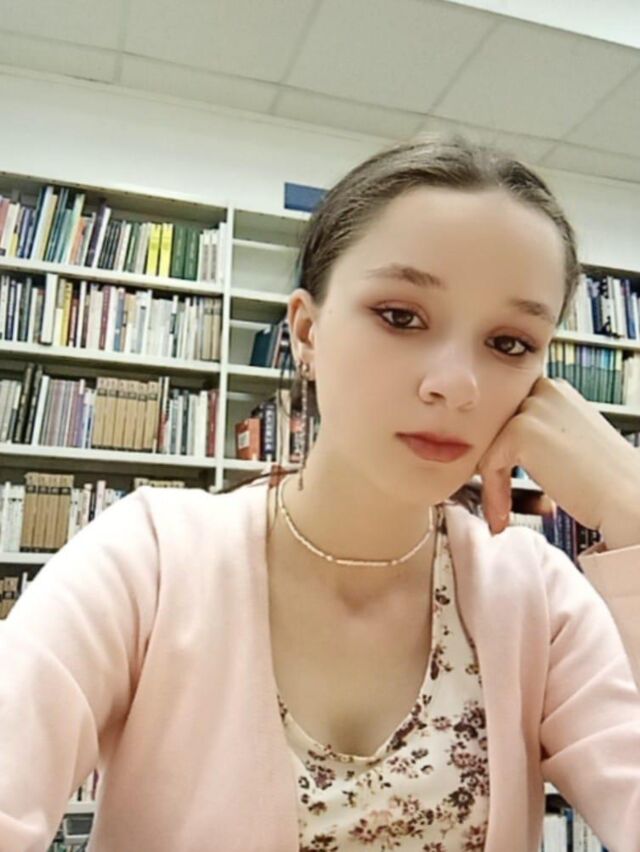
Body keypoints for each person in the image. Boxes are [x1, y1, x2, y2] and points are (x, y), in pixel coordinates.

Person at [1, 133, 639, 852]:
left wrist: (632, 508)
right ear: (306, 331)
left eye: (509, 344)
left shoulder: (537, 599)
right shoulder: (148, 561)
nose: (455, 385)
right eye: (401, 316)